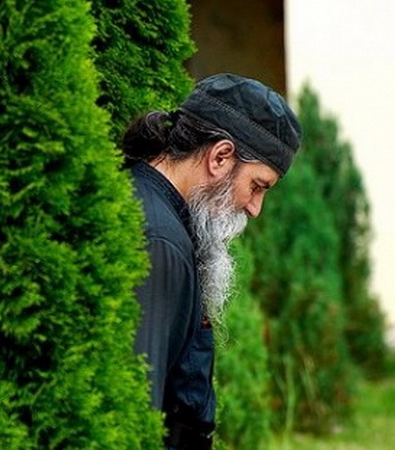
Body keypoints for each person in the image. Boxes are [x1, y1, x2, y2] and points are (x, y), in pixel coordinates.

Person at [122, 73, 302, 449]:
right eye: (257, 186)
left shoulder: (161, 218)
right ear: (220, 157)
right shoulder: (160, 240)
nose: (254, 209)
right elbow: (133, 411)